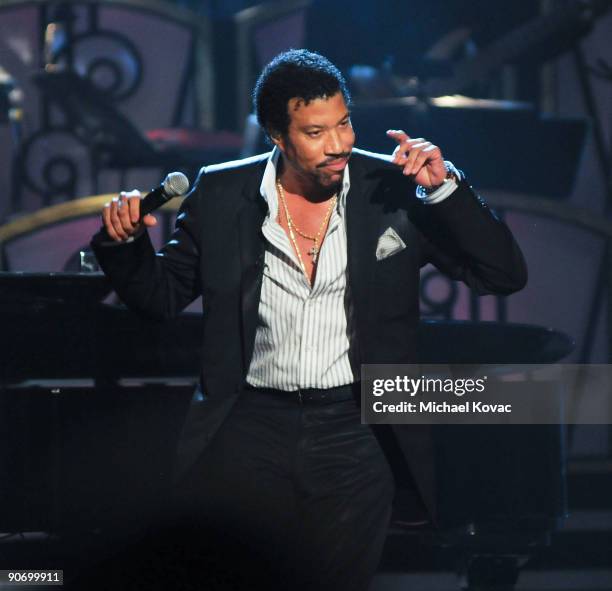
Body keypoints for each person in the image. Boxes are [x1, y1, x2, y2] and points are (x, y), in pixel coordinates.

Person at [91, 49, 527, 591]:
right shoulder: (223, 192)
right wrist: (125, 245)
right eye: (316, 132)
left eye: (344, 123)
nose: (338, 144)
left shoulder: (389, 187)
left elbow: (503, 275)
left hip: (356, 430)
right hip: (249, 427)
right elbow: (160, 299)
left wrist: (445, 189)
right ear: (277, 134)